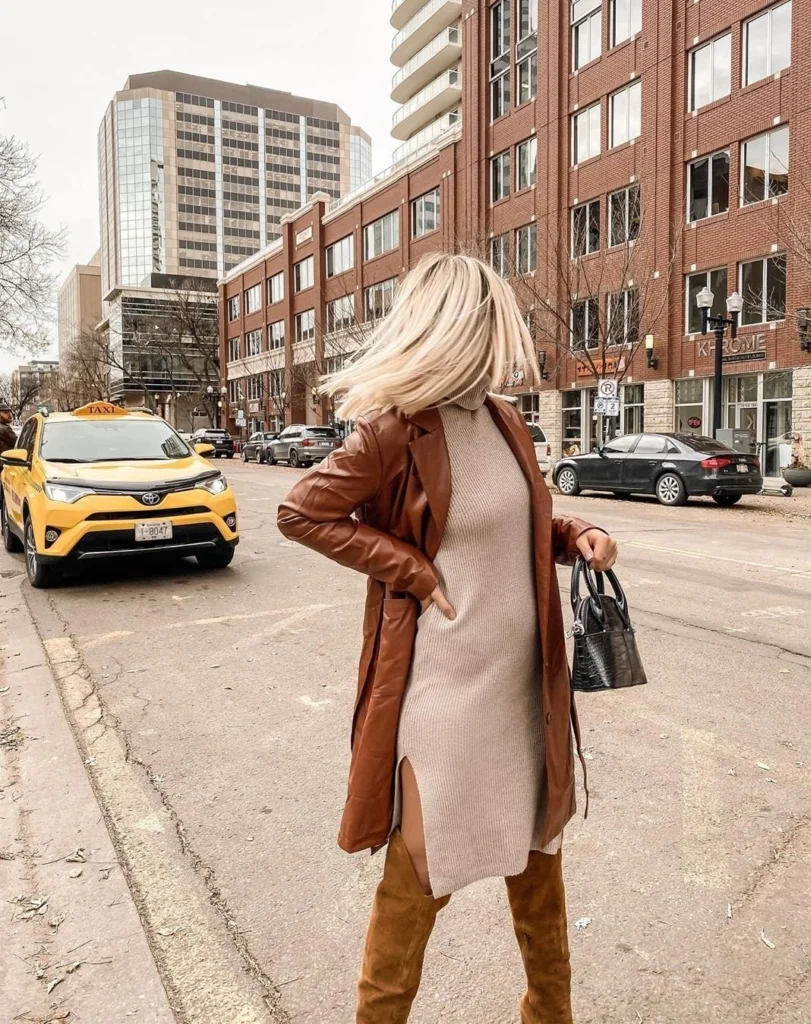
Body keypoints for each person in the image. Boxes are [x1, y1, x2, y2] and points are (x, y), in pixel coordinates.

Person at [277, 253, 618, 1023]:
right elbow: (301, 511)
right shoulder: (394, 430)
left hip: (522, 683)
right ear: (462, 327)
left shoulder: (500, 418)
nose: (510, 334)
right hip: (447, 696)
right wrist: (415, 572)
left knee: (539, 864)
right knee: (418, 879)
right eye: (496, 320)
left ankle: (548, 1016)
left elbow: (514, 524)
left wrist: (579, 532)